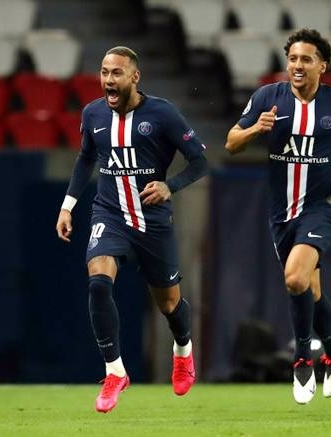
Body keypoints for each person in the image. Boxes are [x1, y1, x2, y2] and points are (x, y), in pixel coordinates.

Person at [224, 28, 331, 404]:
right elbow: (231, 143)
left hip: (322, 207)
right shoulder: (268, 96)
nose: (297, 66)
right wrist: (254, 129)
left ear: (322, 66)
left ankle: (302, 356)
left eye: (306, 59)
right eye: (293, 58)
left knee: (295, 278)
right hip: (281, 213)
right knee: (309, 289)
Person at [55, 46, 208, 413]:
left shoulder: (162, 113)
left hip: (152, 222)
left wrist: (170, 185)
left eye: (117, 73)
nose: (109, 79)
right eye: (104, 72)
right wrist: (67, 205)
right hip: (109, 214)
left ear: (134, 77)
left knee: (169, 303)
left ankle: (183, 350)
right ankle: (114, 371)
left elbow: (200, 160)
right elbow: (86, 157)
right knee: (97, 280)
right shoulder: (92, 113)